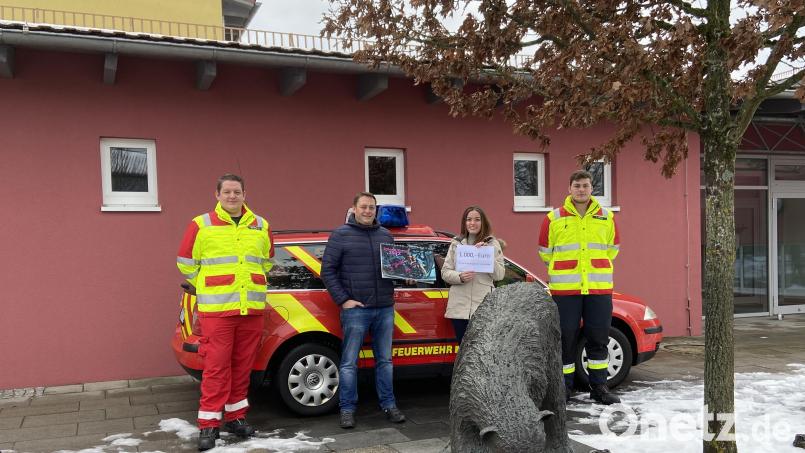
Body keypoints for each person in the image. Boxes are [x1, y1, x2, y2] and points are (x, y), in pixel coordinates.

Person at [176, 174, 274, 450]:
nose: (232, 196)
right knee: (216, 368)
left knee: (243, 367)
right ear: (217, 194)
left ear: (245, 194)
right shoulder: (201, 224)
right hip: (217, 311)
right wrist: (207, 285)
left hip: (251, 310)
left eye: (237, 192)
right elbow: (185, 263)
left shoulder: (261, 225)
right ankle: (209, 425)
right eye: (227, 192)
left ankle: (236, 417)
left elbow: (266, 262)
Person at [320, 192, 406, 429]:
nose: (368, 211)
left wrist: (406, 275)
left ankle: (389, 404)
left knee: (385, 361)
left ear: (376, 210)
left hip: (385, 308)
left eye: (372, 207)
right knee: (348, 362)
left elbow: (395, 268)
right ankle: (347, 409)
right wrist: (344, 300)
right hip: (356, 309)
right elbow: (327, 271)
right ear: (354, 209)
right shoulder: (341, 235)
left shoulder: (385, 235)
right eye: (364, 207)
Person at [538, 170, 621, 405]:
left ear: (591, 188)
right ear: (569, 189)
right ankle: (564, 388)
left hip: (598, 289)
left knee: (598, 338)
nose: (581, 189)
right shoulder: (553, 218)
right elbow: (545, 253)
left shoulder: (607, 217)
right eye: (577, 185)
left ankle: (599, 387)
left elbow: (612, 249)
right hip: (566, 292)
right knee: (566, 339)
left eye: (585, 185)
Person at [440, 206, 505, 344]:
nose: (472, 223)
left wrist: (486, 255)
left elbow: (500, 275)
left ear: (483, 222)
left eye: (477, 220)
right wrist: (459, 277)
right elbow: (445, 272)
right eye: (469, 219)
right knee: (463, 351)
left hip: (482, 308)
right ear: (464, 222)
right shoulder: (456, 243)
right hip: (459, 308)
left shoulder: (492, 244)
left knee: (481, 352)